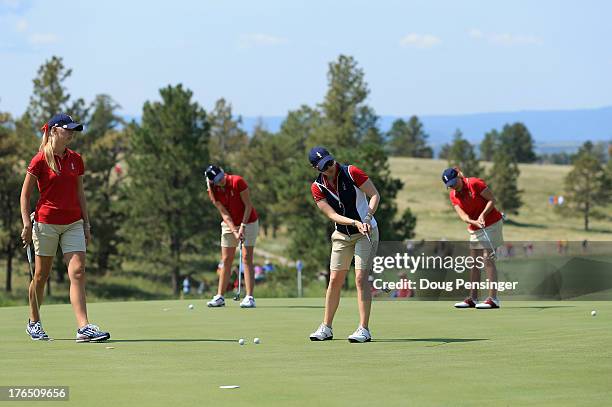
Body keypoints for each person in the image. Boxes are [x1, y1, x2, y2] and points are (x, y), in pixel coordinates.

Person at [19, 113, 110, 342]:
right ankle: (34, 322)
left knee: (78, 272)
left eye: (73, 129)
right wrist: (27, 224)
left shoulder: (76, 159)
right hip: (46, 223)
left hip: (73, 223)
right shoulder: (39, 160)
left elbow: (80, 194)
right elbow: (25, 195)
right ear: (53, 131)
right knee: (41, 276)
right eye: (67, 129)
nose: (71, 133)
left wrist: (86, 223)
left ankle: (83, 327)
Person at [307, 147, 380, 343]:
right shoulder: (317, 187)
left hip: (367, 233)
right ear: (316, 168)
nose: (330, 167)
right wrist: (354, 222)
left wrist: (366, 217)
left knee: (360, 278)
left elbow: (374, 195)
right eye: (325, 166)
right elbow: (331, 215)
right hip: (341, 235)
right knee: (335, 280)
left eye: (330, 162)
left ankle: (364, 329)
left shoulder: (351, 172)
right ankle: (326, 327)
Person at [442, 167, 504, 309]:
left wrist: (482, 215)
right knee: (474, 262)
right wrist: (473, 222)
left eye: (453, 182)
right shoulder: (453, 195)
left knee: (487, 258)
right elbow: (463, 216)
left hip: (492, 223)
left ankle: (493, 299)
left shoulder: (475, 183)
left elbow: (492, 200)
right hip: (475, 227)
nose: (452, 186)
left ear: (459, 176)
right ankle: (473, 298)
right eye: (449, 185)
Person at [204, 165, 258, 308]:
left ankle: (249, 297)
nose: (221, 181)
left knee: (246, 257)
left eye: (221, 177)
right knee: (226, 259)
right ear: (212, 182)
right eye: (217, 180)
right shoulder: (213, 191)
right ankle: (220, 296)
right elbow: (224, 213)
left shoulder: (237, 181)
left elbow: (248, 205)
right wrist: (235, 231)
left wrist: (243, 226)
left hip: (249, 221)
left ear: (223, 172)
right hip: (229, 224)